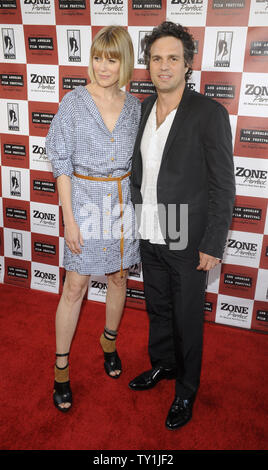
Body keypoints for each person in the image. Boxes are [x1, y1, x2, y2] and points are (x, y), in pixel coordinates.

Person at [129, 22, 236, 429]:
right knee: (157, 309)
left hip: (188, 238)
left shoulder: (209, 113)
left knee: (187, 318)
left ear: (187, 64)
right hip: (150, 230)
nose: (164, 65)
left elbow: (223, 185)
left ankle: (186, 391)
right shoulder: (139, 110)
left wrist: (213, 242)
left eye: (173, 58)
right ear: (148, 65)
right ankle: (163, 367)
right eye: (156, 58)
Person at [46, 26, 141, 412]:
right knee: (75, 287)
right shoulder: (73, 102)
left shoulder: (135, 106)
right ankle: (61, 369)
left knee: (119, 277)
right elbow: (60, 162)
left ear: (124, 62)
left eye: (112, 58)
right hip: (83, 202)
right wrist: (69, 218)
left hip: (120, 205)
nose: (104, 66)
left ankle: (109, 340)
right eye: (99, 57)